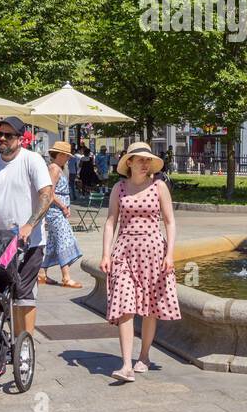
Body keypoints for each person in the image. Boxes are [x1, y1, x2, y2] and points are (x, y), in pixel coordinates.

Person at [101, 142, 180, 382]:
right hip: (124, 250)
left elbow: (170, 222)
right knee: (124, 303)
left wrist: (170, 254)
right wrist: (106, 253)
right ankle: (126, 364)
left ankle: (144, 356)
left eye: (148, 160)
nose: (145, 164)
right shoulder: (120, 187)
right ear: (129, 163)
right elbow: (110, 222)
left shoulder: (159, 187)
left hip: (153, 251)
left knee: (148, 306)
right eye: (140, 160)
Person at [0, 116, 54, 337]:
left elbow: (47, 195)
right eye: (0, 134)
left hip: (30, 242)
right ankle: (4, 340)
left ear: (21, 139)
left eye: (9, 135)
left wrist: (29, 225)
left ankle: (24, 347)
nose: (3, 139)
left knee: (24, 296)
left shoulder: (32, 160)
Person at [41, 141, 84, 289]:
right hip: (55, 211)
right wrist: (63, 207)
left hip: (57, 210)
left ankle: (42, 273)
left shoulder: (57, 168)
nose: (68, 158)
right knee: (64, 239)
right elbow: (50, 193)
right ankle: (66, 277)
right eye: (66, 156)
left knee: (53, 242)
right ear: (60, 155)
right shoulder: (54, 168)